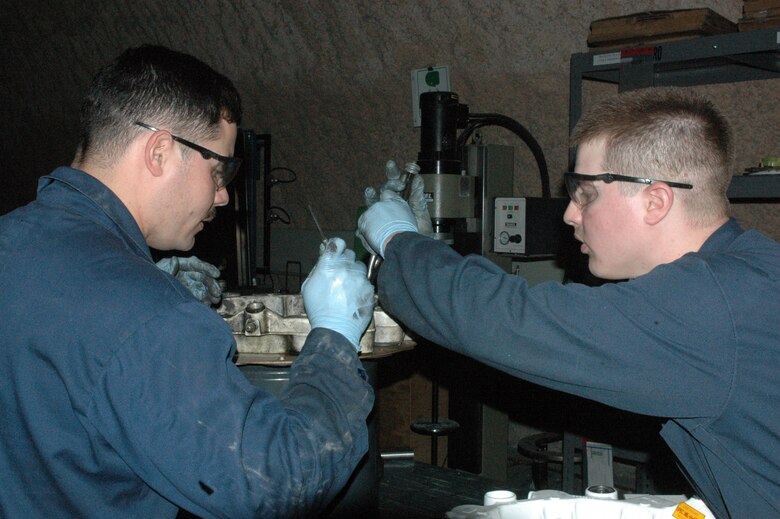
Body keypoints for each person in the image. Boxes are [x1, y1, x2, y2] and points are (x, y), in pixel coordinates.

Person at [357, 87, 780, 518]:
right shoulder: (751, 269)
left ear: (655, 200)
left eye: (586, 194)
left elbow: (513, 321)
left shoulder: (708, 307)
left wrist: (399, 242)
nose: (569, 215)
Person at [0, 45, 376, 518]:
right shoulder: (148, 316)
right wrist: (336, 339)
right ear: (159, 151)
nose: (221, 195)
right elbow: (278, 481)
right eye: (219, 169)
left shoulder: (13, 241)